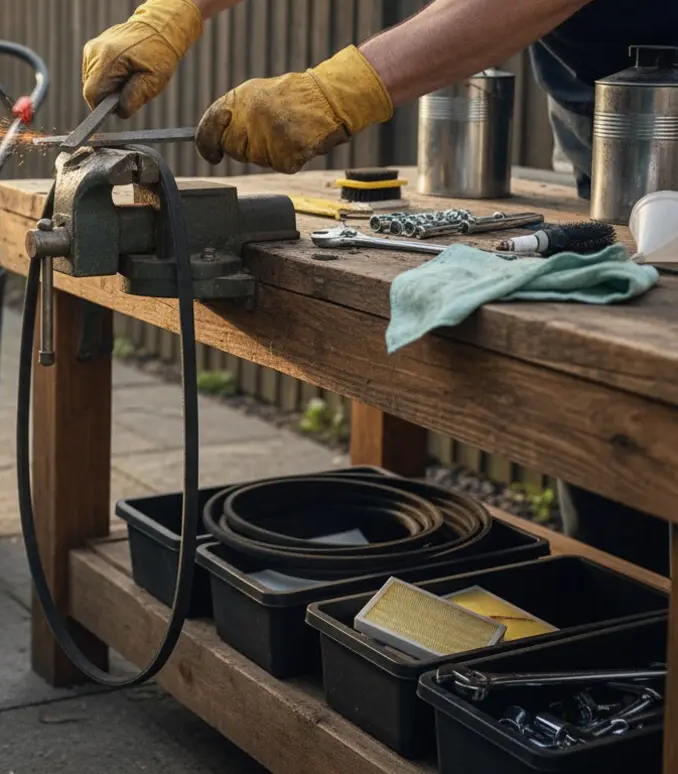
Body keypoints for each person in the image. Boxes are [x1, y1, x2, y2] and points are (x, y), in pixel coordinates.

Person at [80, 0, 677, 577]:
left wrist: (340, 90)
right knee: (607, 449)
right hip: (605, 121)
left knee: (651, 389)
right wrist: (176, 8)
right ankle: (624, 622)